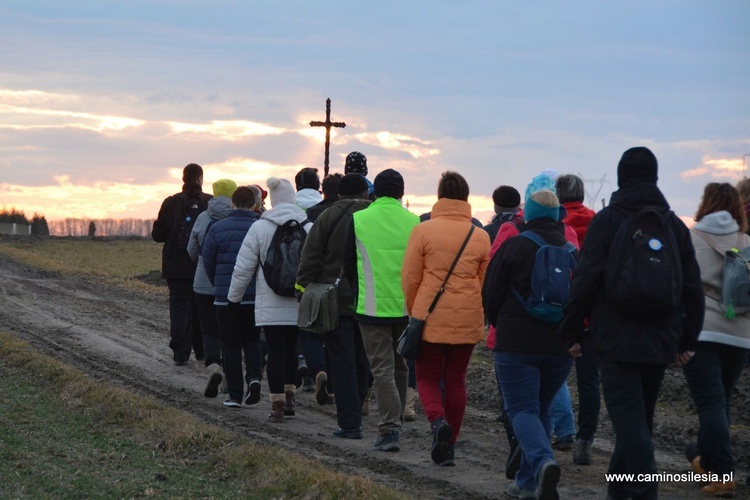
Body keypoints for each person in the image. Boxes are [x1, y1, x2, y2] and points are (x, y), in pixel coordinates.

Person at [559, 147, 704, 500]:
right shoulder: (672, 224)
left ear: (622, 177)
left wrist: (572, 331)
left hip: (615, 338)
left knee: (633, 431)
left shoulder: (608, 221)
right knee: (638, 425)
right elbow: (691, 287)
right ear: (654, 177)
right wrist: (686, 340)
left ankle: (644, 493)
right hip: (660, 340)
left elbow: (585, 280)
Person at [483, 189, 577, 499]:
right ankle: (525, 484)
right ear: (556, 216)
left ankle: (542, 463)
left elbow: (491, 294)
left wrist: (501, 324)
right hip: (559, 345)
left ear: (530, 214)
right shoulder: (571, 251)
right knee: (542, 408)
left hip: (516, 343)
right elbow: (581, 298)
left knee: (521, 409)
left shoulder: (514, 245)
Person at [402, 171, 490, 466]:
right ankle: (450, 447)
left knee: (426, 376)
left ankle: (438, 423)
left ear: (439, 196)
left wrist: (415, 310)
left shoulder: (423, 230)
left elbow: (411, 277)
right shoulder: (480, 235)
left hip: (429, 316)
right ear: (466, 197)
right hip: (467, 317)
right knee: (456, 380)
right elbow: (483, 282)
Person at [344, 168, 420, 452]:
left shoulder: (359, 219)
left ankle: (389, 429)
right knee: (400, 366)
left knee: (382, 369)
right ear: (402, 192)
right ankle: (397, 419)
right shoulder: (414, 222)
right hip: (405, 306)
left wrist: (359, 293)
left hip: (371, 306)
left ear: (374, 191)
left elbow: (348, 264)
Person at [684, 182, 750, 497]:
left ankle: (722, 472)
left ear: (705, 203)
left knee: (710, 403)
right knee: (720, 401)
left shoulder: (690, 238)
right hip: (740, 336)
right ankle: (704, 460)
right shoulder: (746, 241)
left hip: (703, 332)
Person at [227, 177, 311, 422]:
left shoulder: (260, 227)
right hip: (299, 302)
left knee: (275, 352)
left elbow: (243, 268)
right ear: (293, 198)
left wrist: (234, 299)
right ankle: (290, 397)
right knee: (292, 352)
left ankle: (276, 405)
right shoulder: (308, 226)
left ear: (272, 200)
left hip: (270, 303)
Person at [296, 173, 372, 438]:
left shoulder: (327, 217)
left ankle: (350, 423)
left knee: (342, 361)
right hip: (374, 300)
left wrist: (303, 291)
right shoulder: (374, 216)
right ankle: (362, 401)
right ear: (366, 193)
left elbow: (310, 257)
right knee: (366, 359)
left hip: (336, 302)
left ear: (338, 194)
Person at [202, 186, 265, 407]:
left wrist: (219, 284)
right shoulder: (260, 227)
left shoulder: (217, 228)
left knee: (229, 345)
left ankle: (235, 395)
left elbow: (208, 262)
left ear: (232, 204)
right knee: (252, 340)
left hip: (224, 297)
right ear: (255, 205)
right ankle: (255, 378)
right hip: (255, 297)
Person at [555, 173, 599, 465]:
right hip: (593, 314)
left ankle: (557, 431)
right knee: (589, 382)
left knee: (551, 375)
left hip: (561, 309)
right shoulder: (597, 221)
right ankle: (585, 440)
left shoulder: (557, 225)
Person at [151, 163, 212, 366]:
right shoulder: (209, 202)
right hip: (202, 265)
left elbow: (157, 235)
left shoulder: (171, 202)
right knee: (201, 309)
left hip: (176, 266)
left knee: (179, 307)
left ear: (183, 179)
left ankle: (180, 353)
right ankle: (203, 351)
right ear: (200, 179)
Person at [187, 179, 237, 397]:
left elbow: (192, 248)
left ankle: (213, 365)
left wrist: (202, 262)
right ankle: (228, 372)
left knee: (209, 329)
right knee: (229, 329)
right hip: (232, 283)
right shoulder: (238, 218)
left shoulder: (203, 217)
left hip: (204, 283)